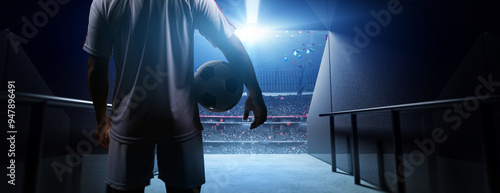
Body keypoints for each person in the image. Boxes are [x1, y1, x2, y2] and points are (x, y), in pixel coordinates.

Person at [84, 0, 267, 192]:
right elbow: (232, 45)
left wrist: (102, 118)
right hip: (182, 123)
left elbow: (96, 66)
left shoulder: (103, 2)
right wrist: (254, 91)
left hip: (129, 123)